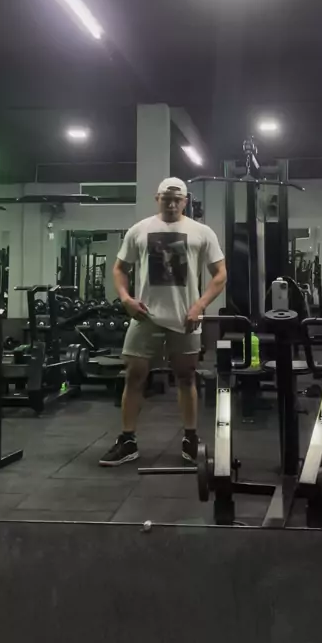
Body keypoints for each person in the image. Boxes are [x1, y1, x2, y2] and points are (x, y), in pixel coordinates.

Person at [99, 177, 226, 467]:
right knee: (134, 376)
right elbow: (119, 268)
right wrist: (125, 299)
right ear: (157, 198)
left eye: (177, 199)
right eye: (166, 199)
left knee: (186, 377)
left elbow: (220, 273)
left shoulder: (201, 232)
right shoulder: (139, 230)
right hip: (145, 315)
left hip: (185, 316)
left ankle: (190, 439)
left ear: (185, 201)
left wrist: (200, 305)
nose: (171, 204)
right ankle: (128, 440)